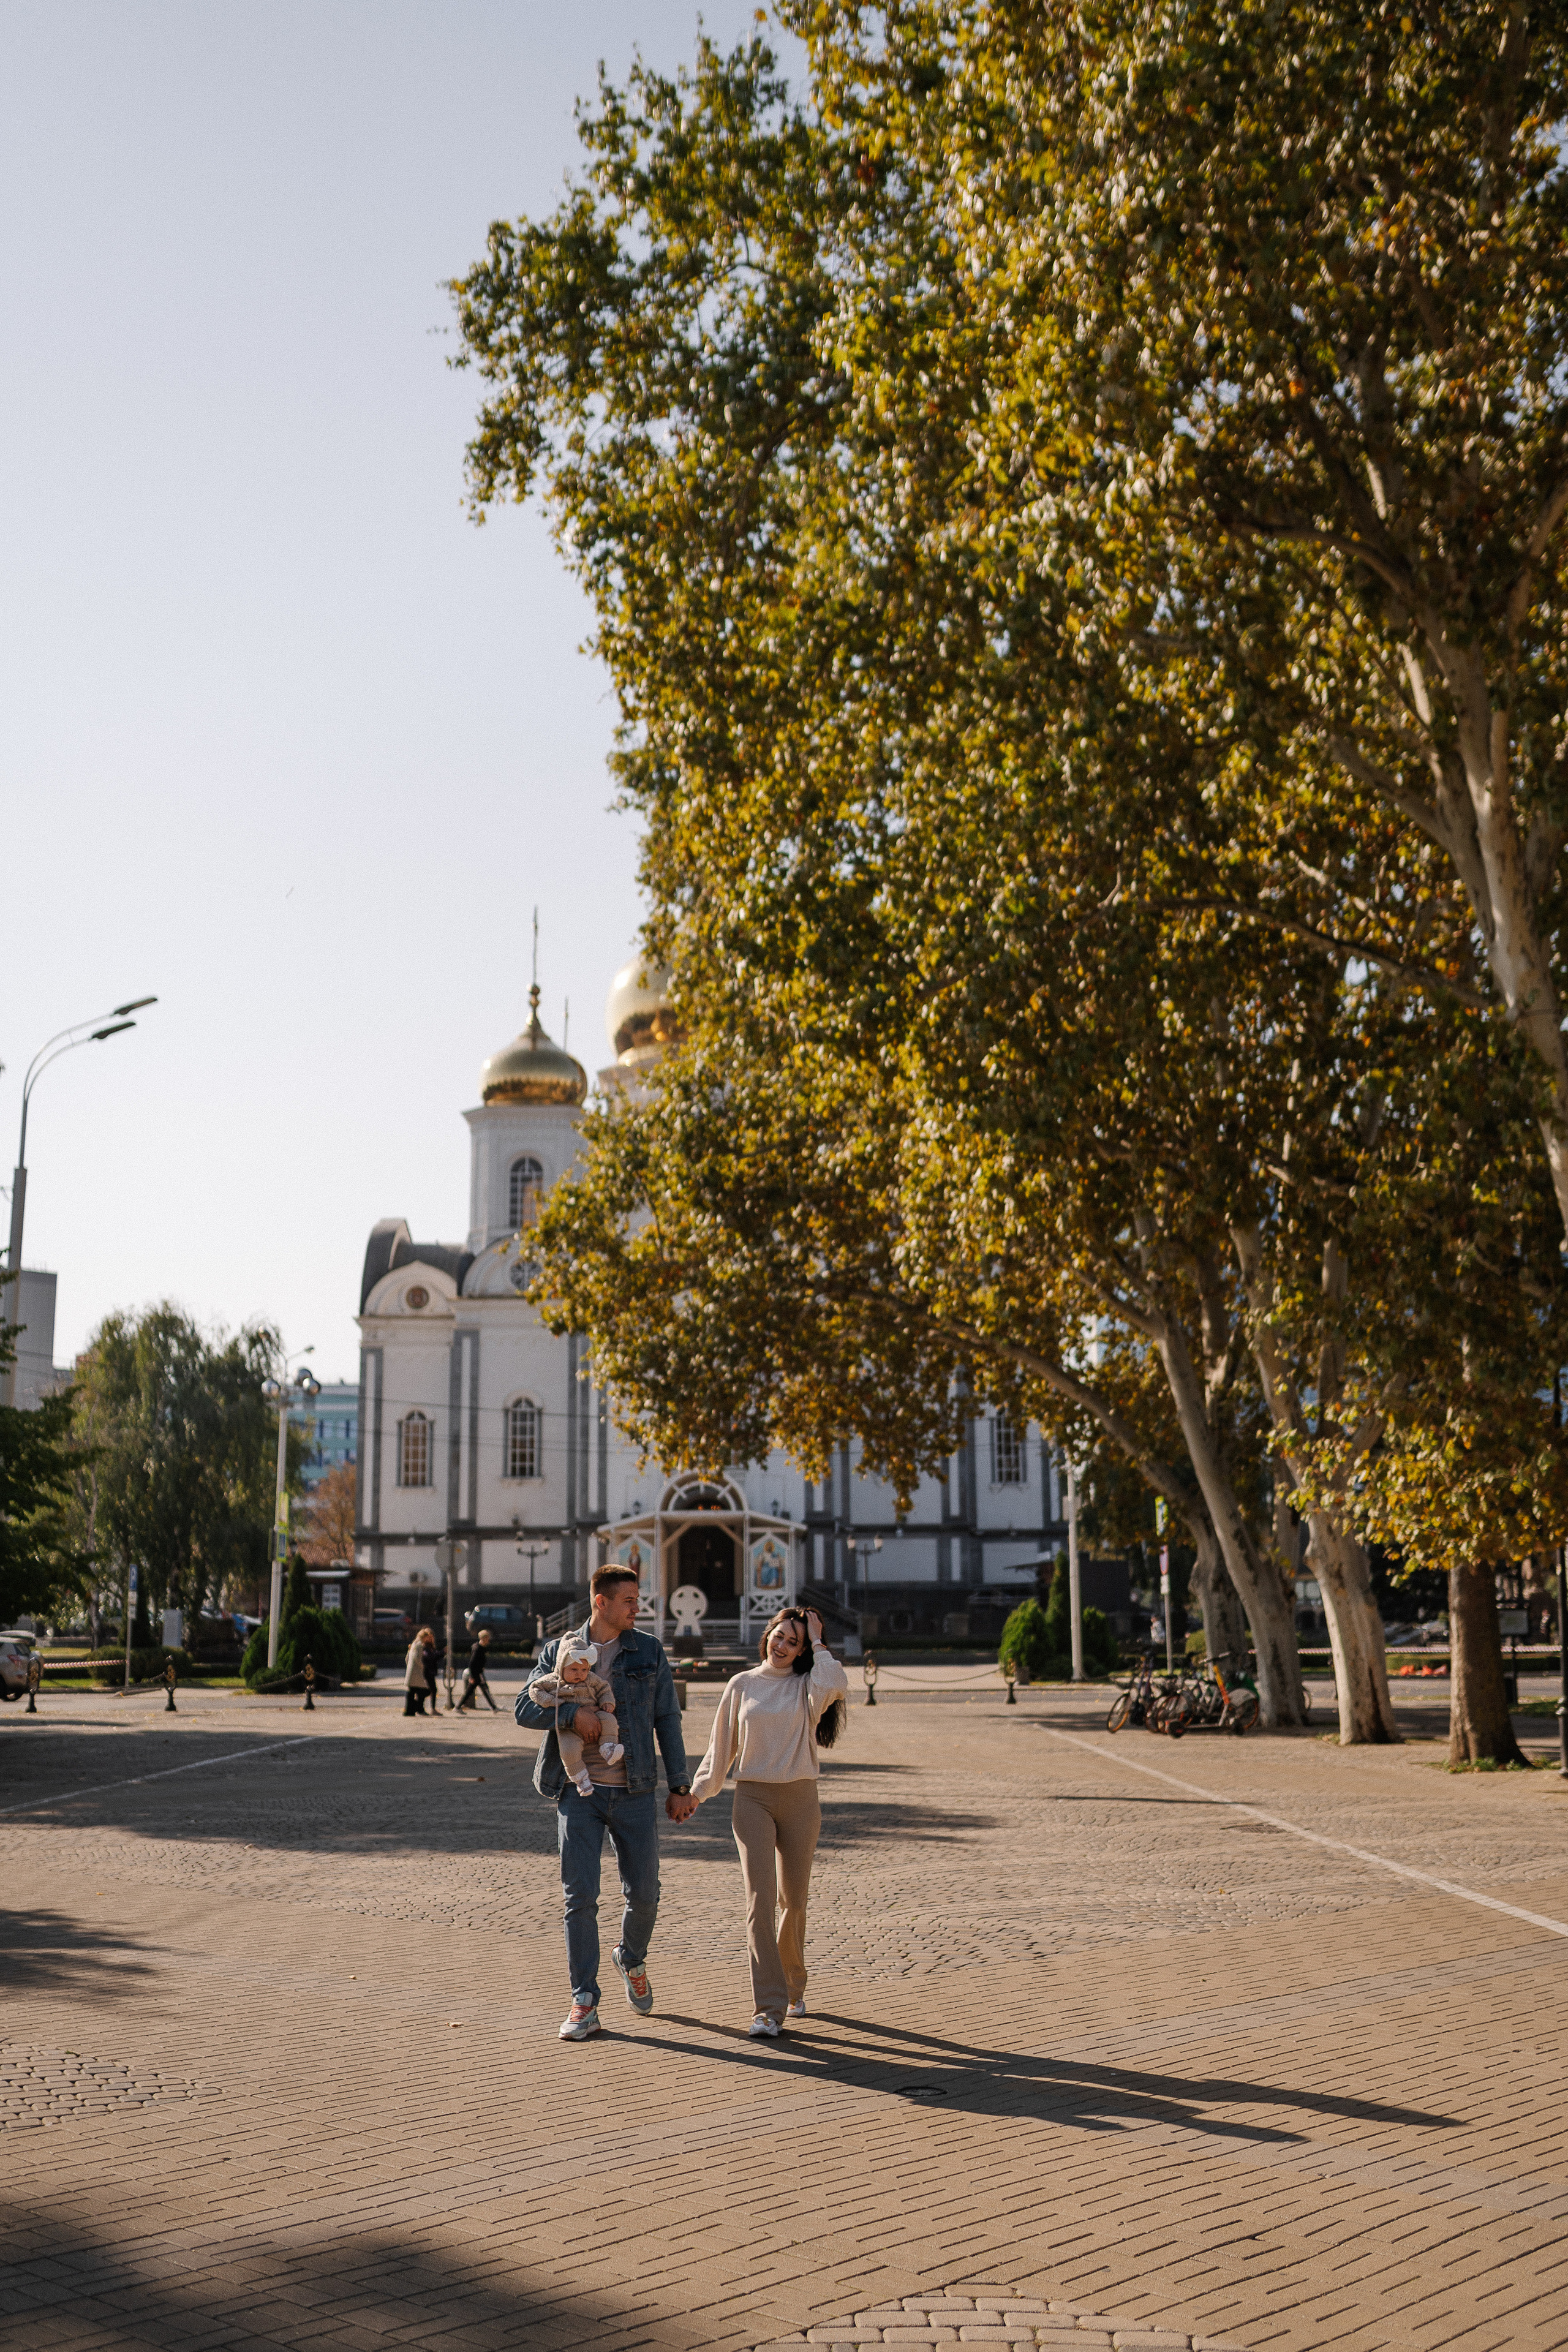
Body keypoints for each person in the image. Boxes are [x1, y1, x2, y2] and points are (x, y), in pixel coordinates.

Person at [516, 1564, 693, 2041]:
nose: (638, 1608)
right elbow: (525, 1707)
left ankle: (630, 1958)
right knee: (580, 1898)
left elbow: (667, 1719)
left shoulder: (648, 1651)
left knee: (645, 1894)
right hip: (578, 1791)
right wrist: (572, 1714)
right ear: (601, 1602)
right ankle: (584, 2002)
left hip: (635, 1790)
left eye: (637, 1599)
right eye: (629, 1600)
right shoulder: (558, 1651)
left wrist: (680, 1786)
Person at [688, 1606, 848, 2038]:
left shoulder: (808, 1687)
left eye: (793, 1642)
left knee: (793, 1901)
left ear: (801, 1651)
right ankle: (768, 2008)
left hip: (800, 1799)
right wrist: (697, 1793)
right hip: (752, 1799)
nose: (782, 1646)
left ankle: (794, 1984)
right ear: (768, 1634)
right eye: (780, 1636)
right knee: (759, 1901)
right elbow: (721, 1747)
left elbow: (836, 1682)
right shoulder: (742, 1684)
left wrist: (818, 1638)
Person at [529, 1635, 626, 1794]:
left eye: (584, 1670)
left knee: (609, 1719)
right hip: (568, 1727)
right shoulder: (553, 1681)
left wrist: (607, 1702)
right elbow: (534, 1689)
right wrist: (552, 1701)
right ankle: (581, 1779)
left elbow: (604, 1688)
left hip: (595, 1713)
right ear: (562, 1667)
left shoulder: (591, 1679)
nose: (580, 1674)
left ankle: (608, 1747)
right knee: (568, 1750)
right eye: (574, 1670)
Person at [459, 1627, 498, 1713]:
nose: (489, 1640)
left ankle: (458, 1706)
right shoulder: (478, 1649)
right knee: (484, 1690)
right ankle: (494, 1707)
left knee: (470, 1691)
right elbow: (472, 1663)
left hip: (477, 1673)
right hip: (477, 1673)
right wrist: (472, 1676)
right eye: (487, 1638)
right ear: (484, 1638)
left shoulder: (480, 1648)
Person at [404, 1626, 437, 1717]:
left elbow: (407, 1658)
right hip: (417, 1672)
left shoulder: (414, 1644)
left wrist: (409, 1666)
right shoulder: (419, 1645)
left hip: (411, 1671)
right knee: (424, 1691)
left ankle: (410, 1710)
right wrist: (423, 1666)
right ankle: (418, 1708)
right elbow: (417, 1658)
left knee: (412, 1691)